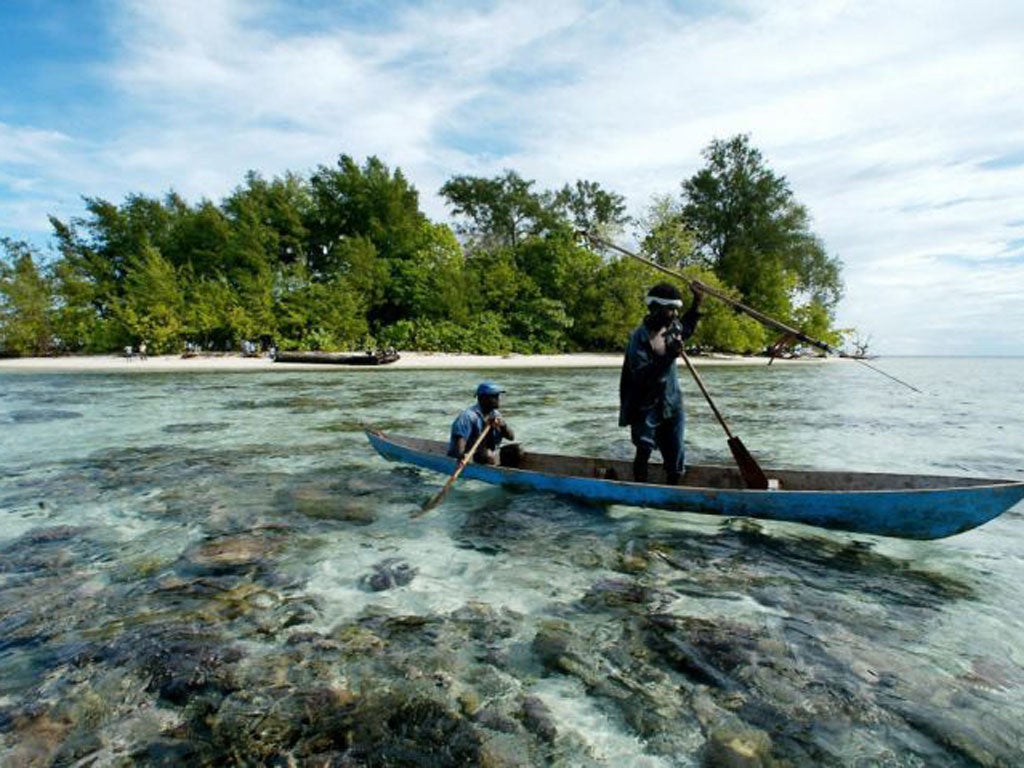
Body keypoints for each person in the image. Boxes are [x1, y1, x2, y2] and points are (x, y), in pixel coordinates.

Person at [619, 282, 702, 485]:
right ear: (654, 307)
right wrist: (670, 356)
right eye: (670, 309)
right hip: (645, 404)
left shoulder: (672, 329)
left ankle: (672, 493)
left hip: (672, 402)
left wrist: (698, 300)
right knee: (644, 449)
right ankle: (640, 492)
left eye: (676, 310)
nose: (674, 314)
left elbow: (687, 326)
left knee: (675, 452)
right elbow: (642, 375)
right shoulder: (638, 338)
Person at [448, 381, 515, 465]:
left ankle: (504, 471)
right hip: (471, 455)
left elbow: (511, 437)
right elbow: (459, 442)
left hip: (490, 453)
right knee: (488, 455)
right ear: (482, 399)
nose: (498, 399)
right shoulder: (468, 416)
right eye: (494, 396)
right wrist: (461, 457)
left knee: (518, 449)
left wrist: (503, 426)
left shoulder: (496, 414)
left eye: (498, 396)